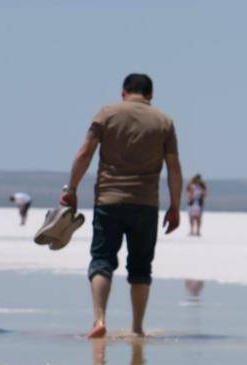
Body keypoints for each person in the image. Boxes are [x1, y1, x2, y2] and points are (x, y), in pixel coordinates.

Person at [60, 73, 181, 339]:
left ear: (124, 91)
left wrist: (71, 188)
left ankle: (99, 319)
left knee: (102, 260)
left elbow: (85, 153)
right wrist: (175, 206)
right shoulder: (163, 121)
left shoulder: (107, 114)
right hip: (146, 203)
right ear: (150, 94)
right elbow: (173, 167)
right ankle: (137, 327)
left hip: (109, 201)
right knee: (140, 267)